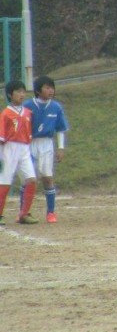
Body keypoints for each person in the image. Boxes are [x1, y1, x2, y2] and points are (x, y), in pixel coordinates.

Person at [24, 75, 69, 223]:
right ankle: (24, 212)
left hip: (46, 144)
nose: (51, 91)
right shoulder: (28, 106)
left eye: (52, 88)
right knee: (29, 178)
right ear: (38, 90)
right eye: (47, 88)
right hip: (30, 143)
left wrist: (61, 148)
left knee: (47, 177)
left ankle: (50, 212)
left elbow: (60, 129)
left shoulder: (56, 107)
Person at [0, 80, 38, 225]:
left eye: (23, 91)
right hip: (9, 148)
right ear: (10, 95)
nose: (22, 94)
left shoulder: (28, 113)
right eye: (18, 91)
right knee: (4, 182)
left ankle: (24, 214)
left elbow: (28, 134)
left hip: (24, 149)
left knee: (31, 179)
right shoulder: (6, 114)